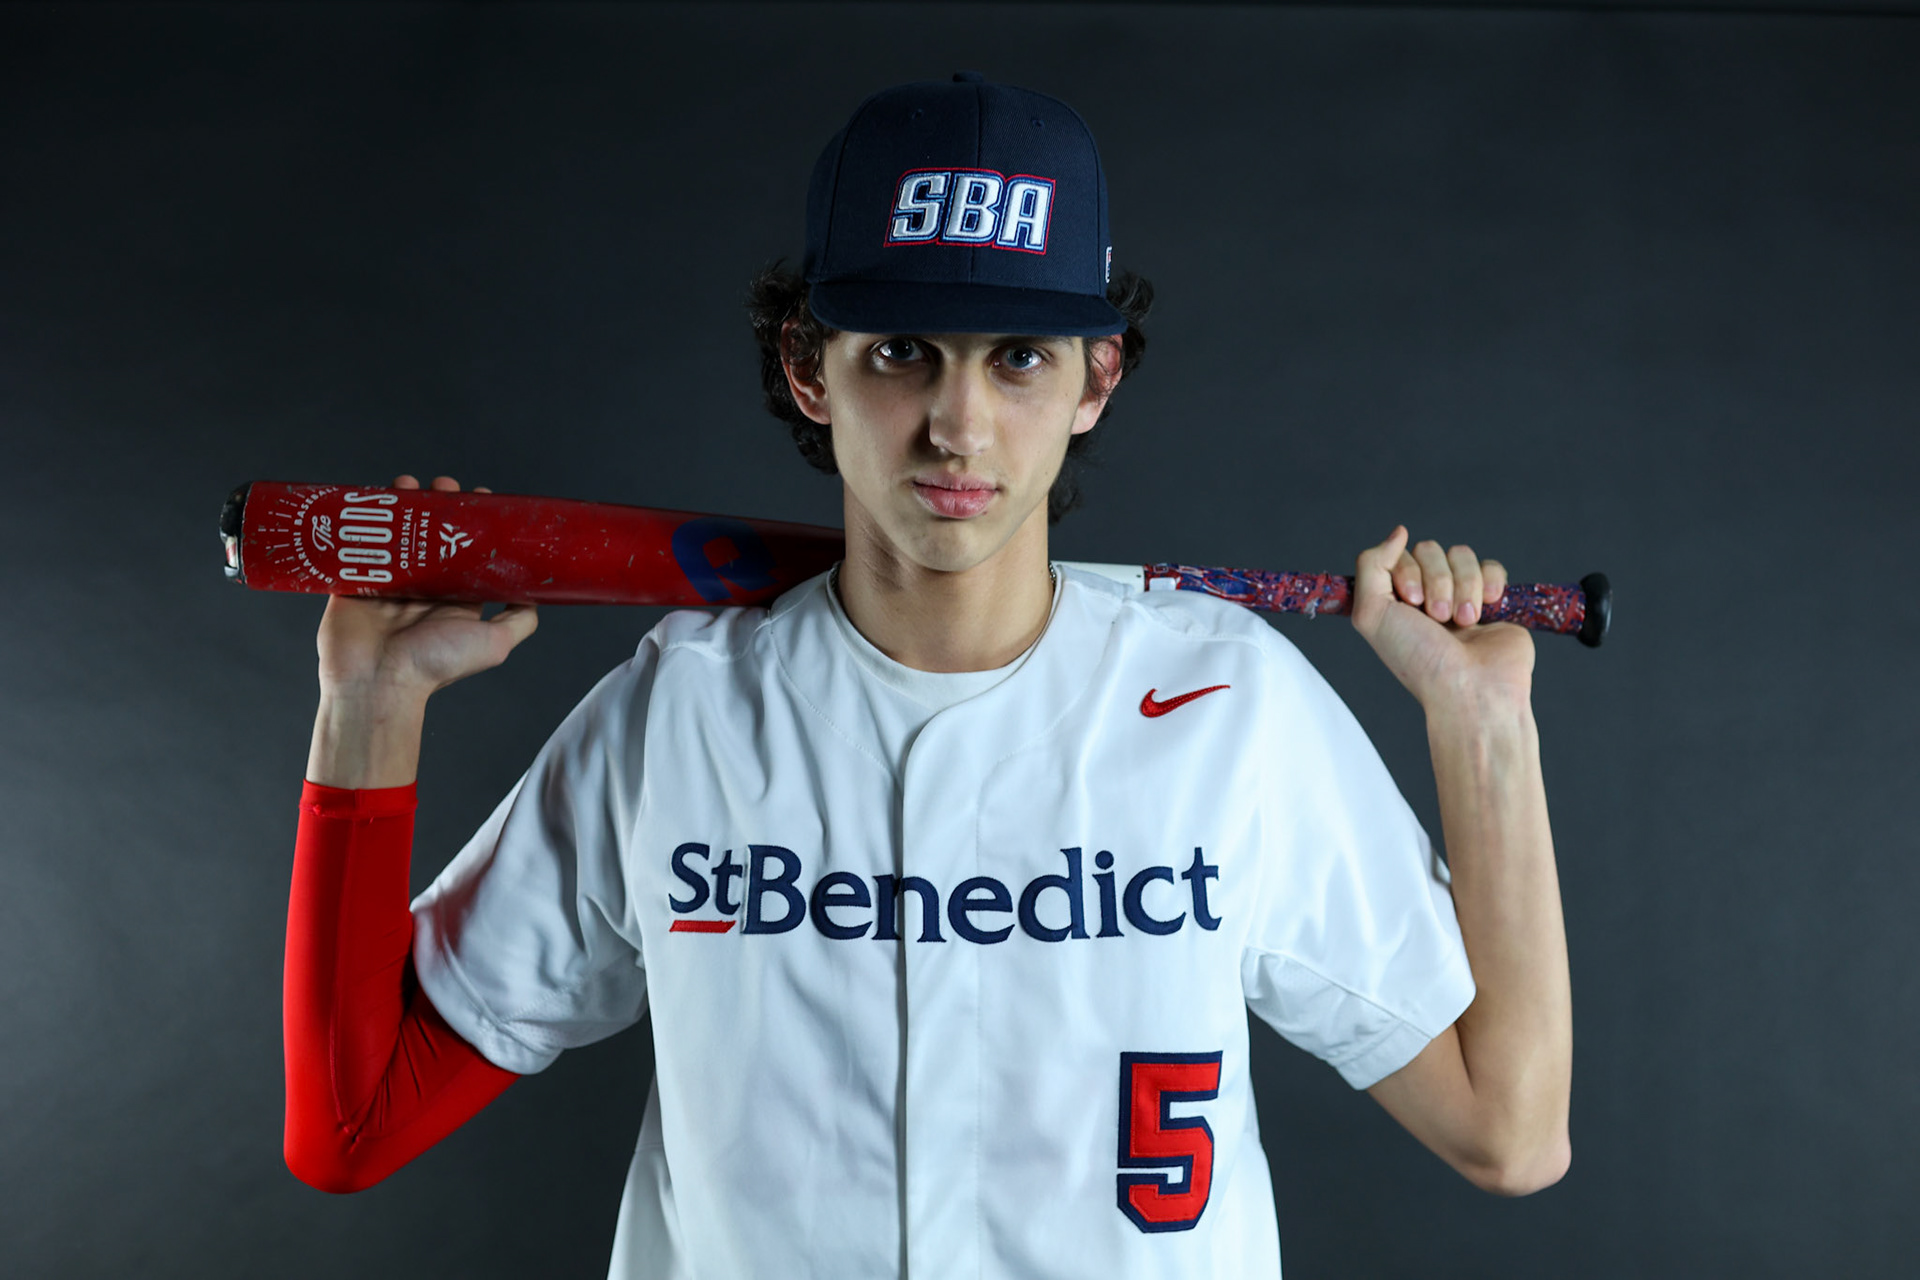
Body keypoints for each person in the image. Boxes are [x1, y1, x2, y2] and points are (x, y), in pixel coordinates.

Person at [282, 73, 1571, 1278]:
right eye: (902, 348)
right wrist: (370, 709)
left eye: (1019, 355)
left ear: (1095, 379)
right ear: (808, 366)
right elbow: (350, 1128)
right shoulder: (676, 716)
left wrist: (1482, 723)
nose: (958, 424)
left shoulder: (1235, 706)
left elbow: (1509, 1134)